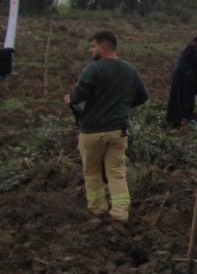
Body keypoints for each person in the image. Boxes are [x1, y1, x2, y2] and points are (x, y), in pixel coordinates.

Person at [62, 30, 149, 222]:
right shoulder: (130, 70)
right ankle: (120, 213)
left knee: (91, 171)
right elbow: (143, 96)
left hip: (92, 130)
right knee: (117, 173)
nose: (90, 50)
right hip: (118, 130)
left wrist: (70, 99)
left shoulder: (93, 69)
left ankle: (97, 210)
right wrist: (122, 106)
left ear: (104, 47)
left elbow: (78, 96)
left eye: (93, 46)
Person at [167, 34, 197, 127]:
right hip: (185, 74)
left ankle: (176, 118)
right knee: (187, 96)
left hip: (181, 73)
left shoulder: (190, 47)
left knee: (178, 96)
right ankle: (186, 117)